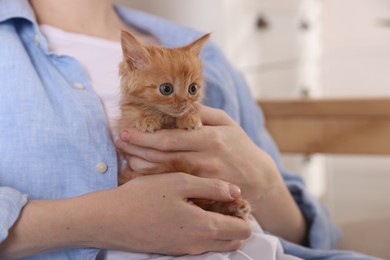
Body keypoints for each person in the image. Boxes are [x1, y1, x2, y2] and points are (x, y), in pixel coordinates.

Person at [0, 0, 379, 259]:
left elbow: (310, 238)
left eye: (191, 90)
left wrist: (262, 181)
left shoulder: (206, 55)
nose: (183, 98)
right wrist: (96, 221)